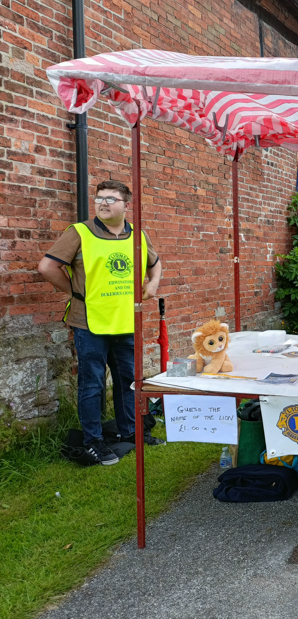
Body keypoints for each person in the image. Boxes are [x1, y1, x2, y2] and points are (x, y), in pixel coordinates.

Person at [38, 181, 164, 466]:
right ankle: (93, 442)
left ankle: (131, 433)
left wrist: (153, 282)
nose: (103, 203)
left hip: (125, 322)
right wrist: (75, 292)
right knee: (92, 385)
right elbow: (47, 267)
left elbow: (154, 263)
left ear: (126, 205)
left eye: (111, 198)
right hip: (89, 323)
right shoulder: (79, 232)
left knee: (128, 382)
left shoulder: (138, 235)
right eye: (99, 198)